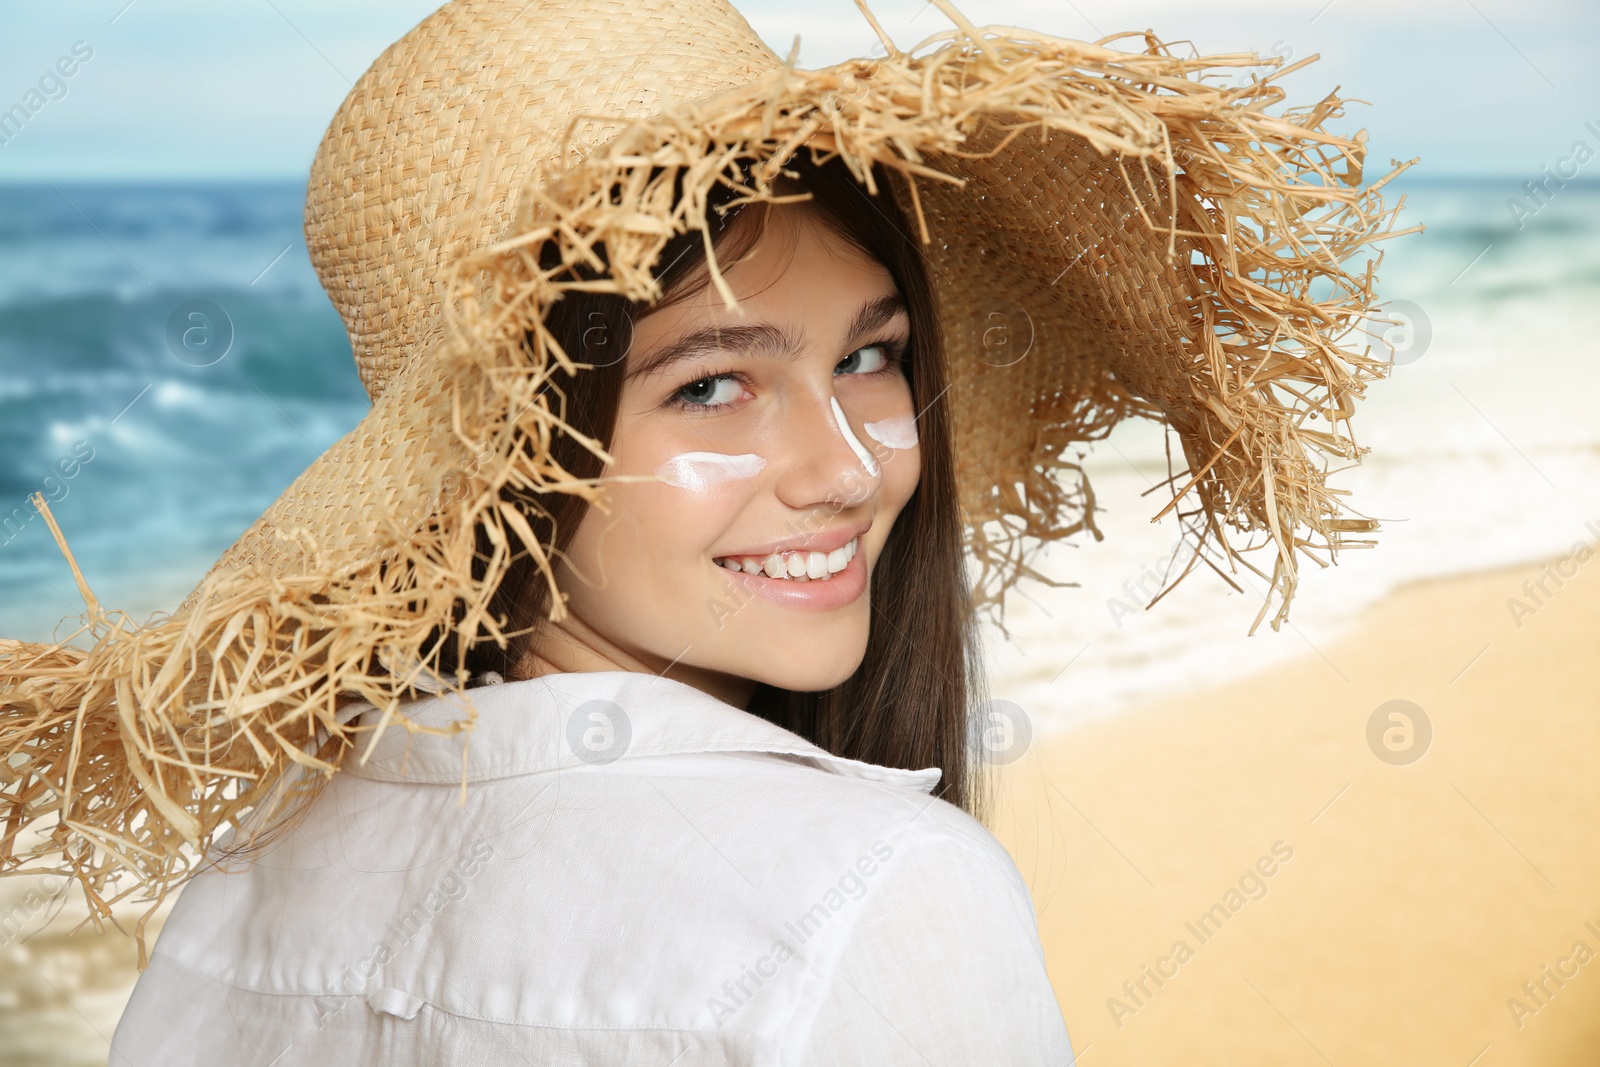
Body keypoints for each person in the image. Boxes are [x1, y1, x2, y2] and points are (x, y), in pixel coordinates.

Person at [0, 1, 1415, 1064]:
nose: (850, 466)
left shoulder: (254, 869)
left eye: (870, 355)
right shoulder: (874, 893)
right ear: (501, 459)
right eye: (714, 384)